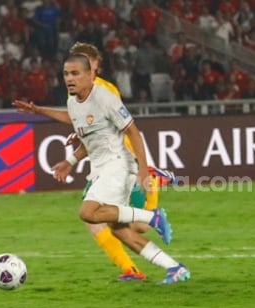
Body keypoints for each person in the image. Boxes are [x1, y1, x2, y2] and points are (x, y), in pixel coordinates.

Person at [13, 54, 190, 285]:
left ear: (90, 74)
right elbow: (83, 129)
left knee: (88, 213)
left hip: (118, 164)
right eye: (66, 74)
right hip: (100, 168)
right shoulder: (73, 102)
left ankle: (153, 216)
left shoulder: (106, 98)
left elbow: (133, 131)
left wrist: (144, 170)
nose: (70, 78)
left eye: (75, 73)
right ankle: (175, 268)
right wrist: (41, 114)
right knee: (120, 230)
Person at [49, 42, 178, 282]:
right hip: (105, 165)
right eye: (72, 68)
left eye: (85, 63)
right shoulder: (77, 94)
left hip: (121, 165)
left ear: (95, 66)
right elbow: (90, 127)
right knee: (109, 222)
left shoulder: (104, 91)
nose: (74, 73)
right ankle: (134, 269)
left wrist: (140, 168)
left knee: (127, 225)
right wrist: (74, 149)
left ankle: (154, 186)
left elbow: (120, 128)